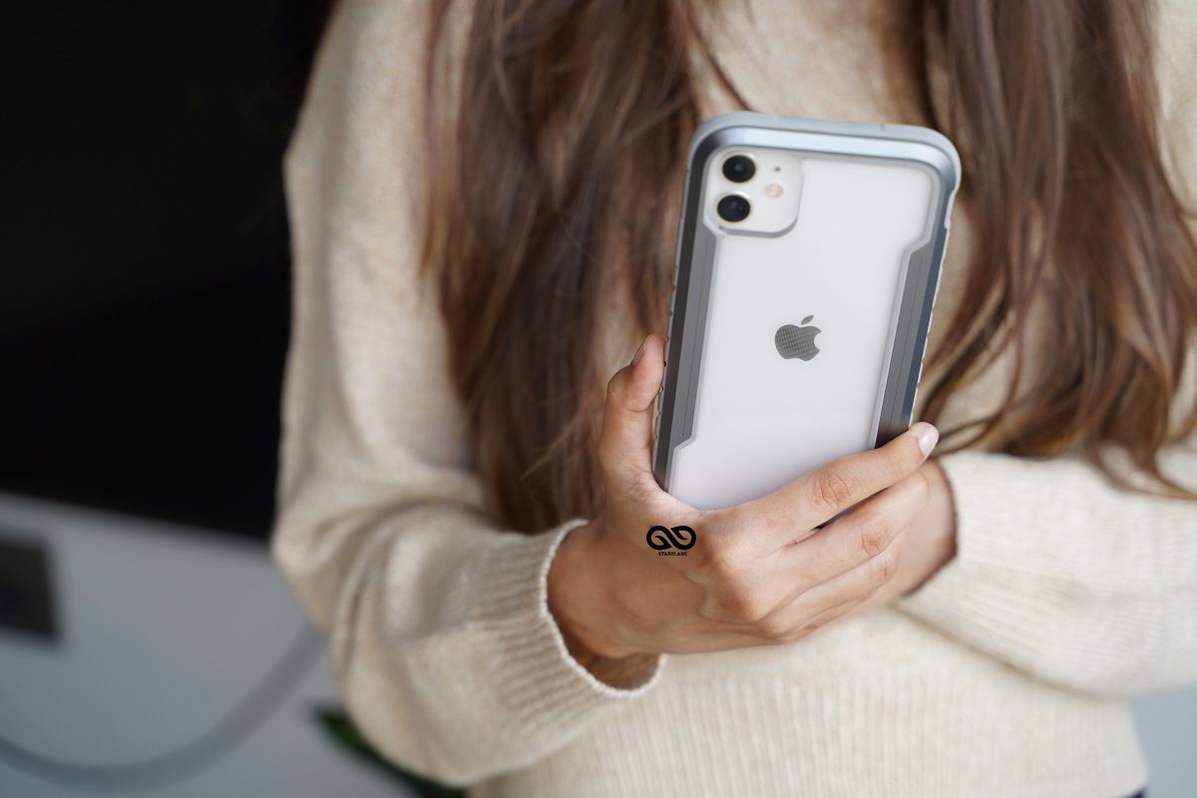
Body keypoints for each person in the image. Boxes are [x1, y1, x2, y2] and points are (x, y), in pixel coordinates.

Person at [270, 0, 1197, 795]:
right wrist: (601, 606)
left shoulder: (1144, 22)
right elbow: (359, 560)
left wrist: (930, 532)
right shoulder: (445, 23)